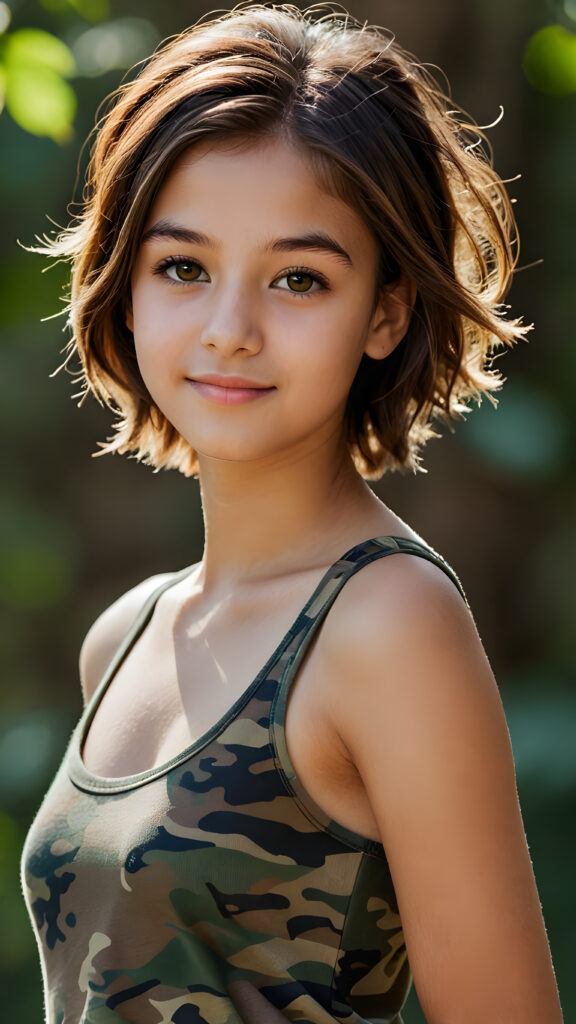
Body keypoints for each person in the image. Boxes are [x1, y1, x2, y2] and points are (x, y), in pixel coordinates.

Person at [21, 4, 564, 1023]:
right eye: (184, 267)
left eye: (299, 279)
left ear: (387, 311)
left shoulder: (387, 624)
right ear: (127, 287)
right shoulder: (125, 636)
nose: (231, 330)